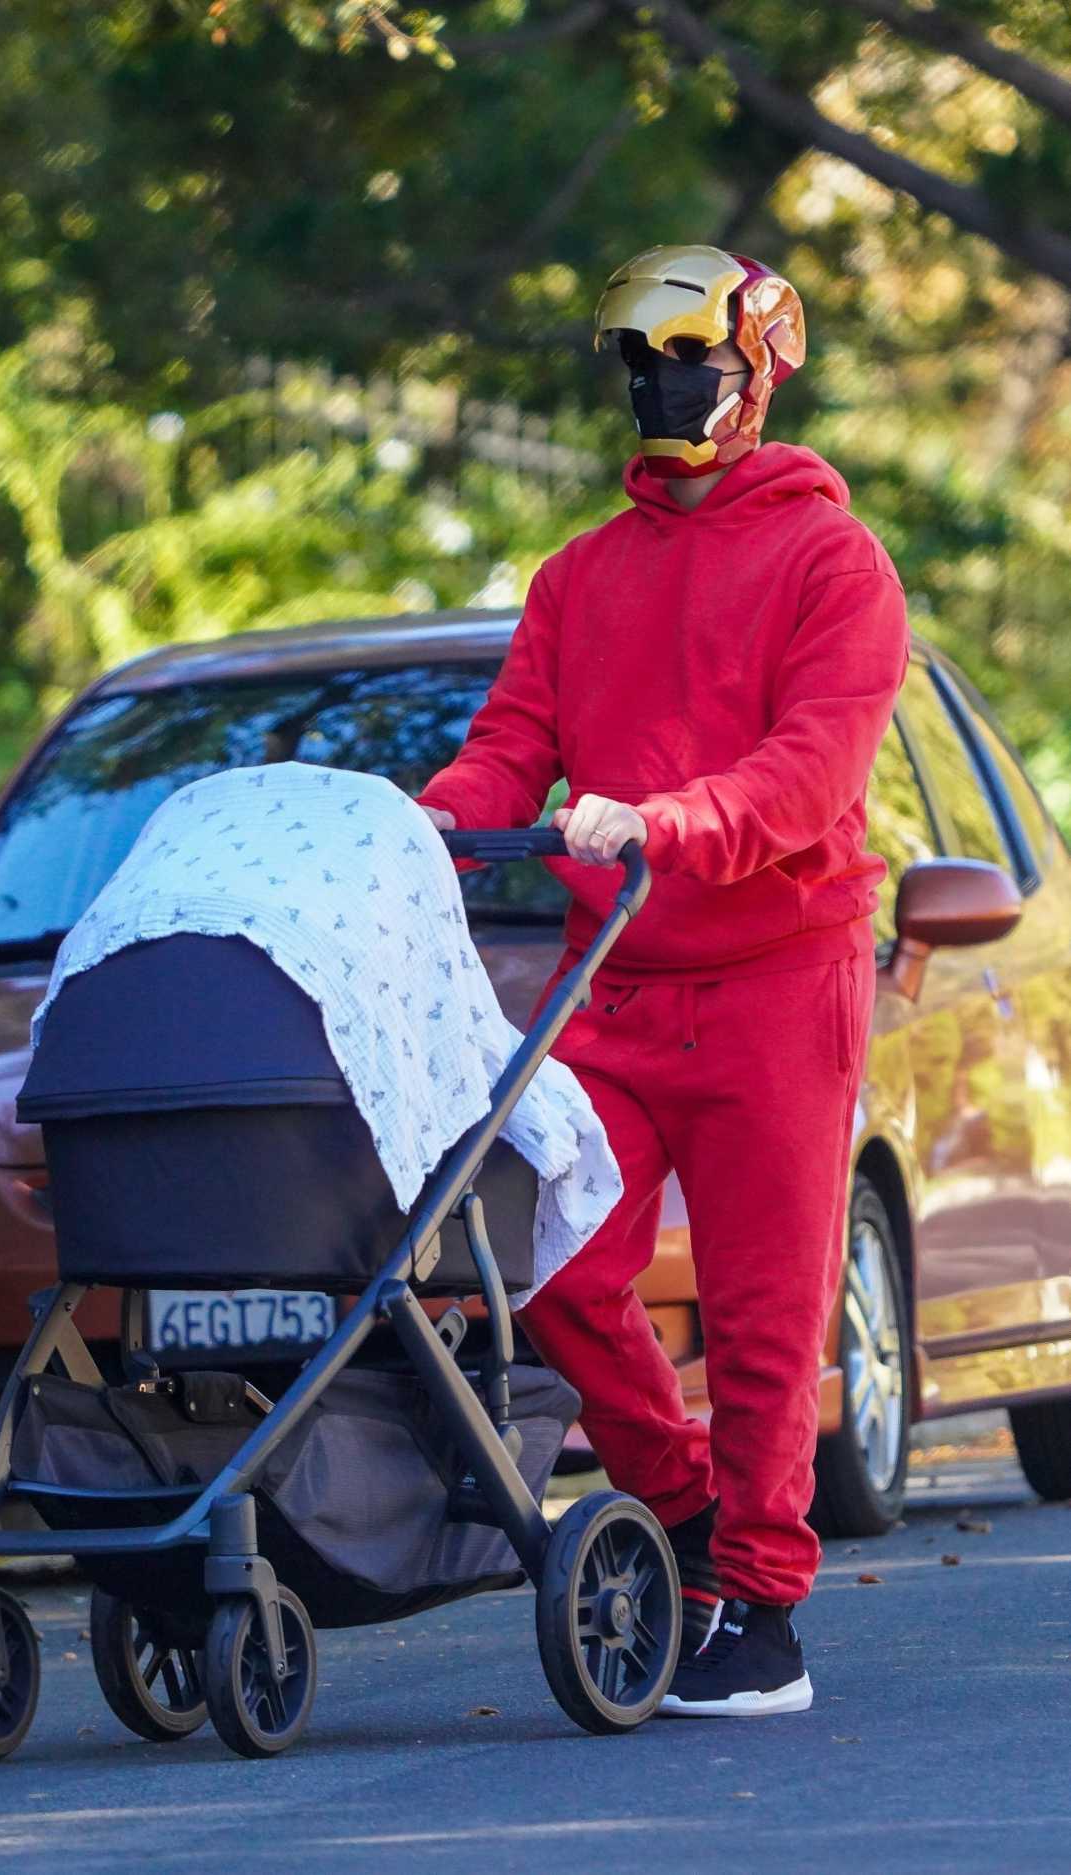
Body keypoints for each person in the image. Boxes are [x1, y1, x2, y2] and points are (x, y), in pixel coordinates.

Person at [417, 243, 910, 1716]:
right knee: (557, 1264)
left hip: (778, 973)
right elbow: (514, 740)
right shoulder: (578, 576)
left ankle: (758, 1609)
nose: (660, 387)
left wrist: (668, 821)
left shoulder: (832, 562)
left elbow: (812, 773)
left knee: (766, 1314)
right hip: (612, 985)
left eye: (685, 360)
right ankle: (684, 1507)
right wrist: (439, 815)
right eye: (637, 364)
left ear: (756, 371)